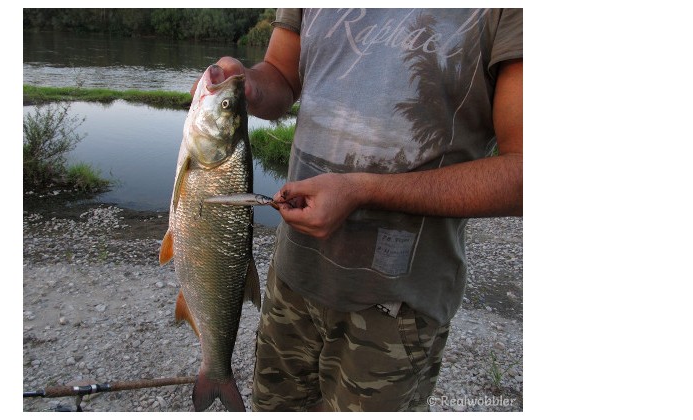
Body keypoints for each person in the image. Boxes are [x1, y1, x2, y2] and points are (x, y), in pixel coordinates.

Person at [197, 8, 522, 411]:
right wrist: (246, 87)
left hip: (398, 305)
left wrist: (362, 190)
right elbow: (280, 74)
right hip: (293, 278)